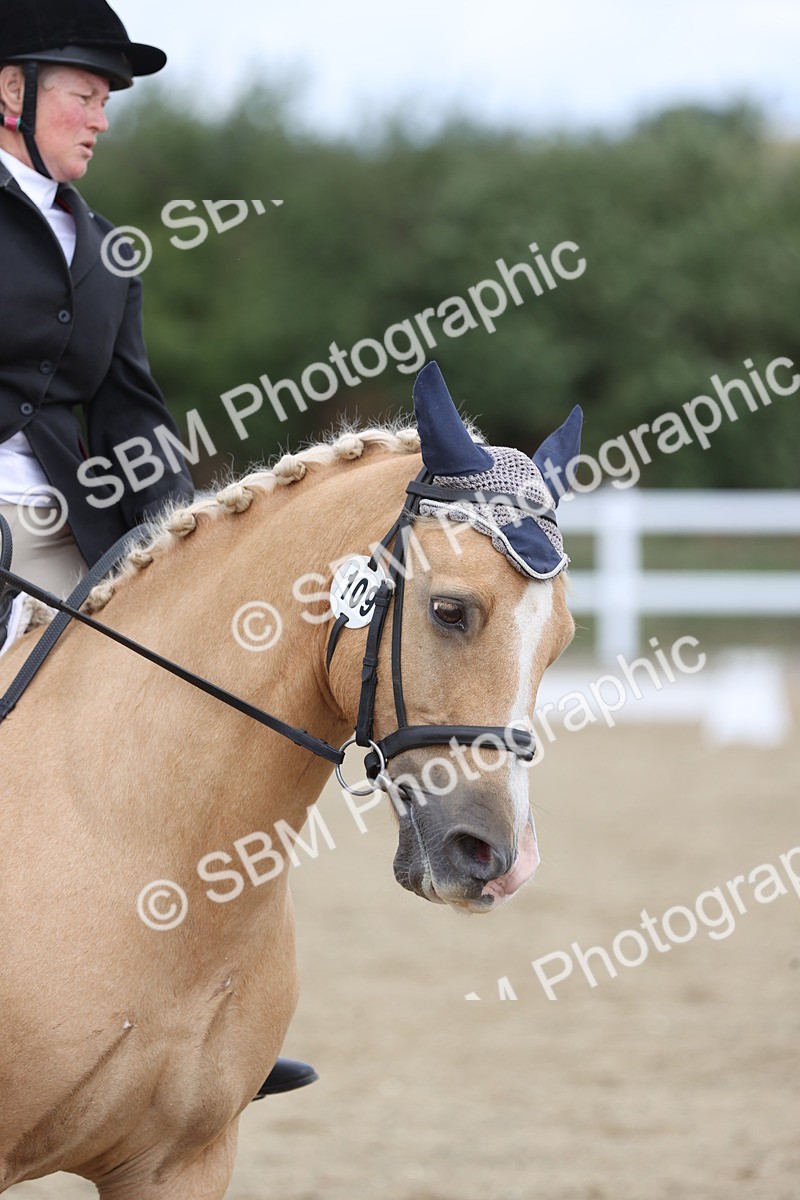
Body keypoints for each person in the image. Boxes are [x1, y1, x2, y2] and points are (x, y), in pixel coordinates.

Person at [0, 0, 316, 1101]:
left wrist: (189, 545)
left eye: (105, 99)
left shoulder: (101, 246)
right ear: (10, 92)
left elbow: (129, 414)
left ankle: (198, 1014)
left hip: (62, 530)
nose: (99, 117)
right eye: (83, 92)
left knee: (191, 725)